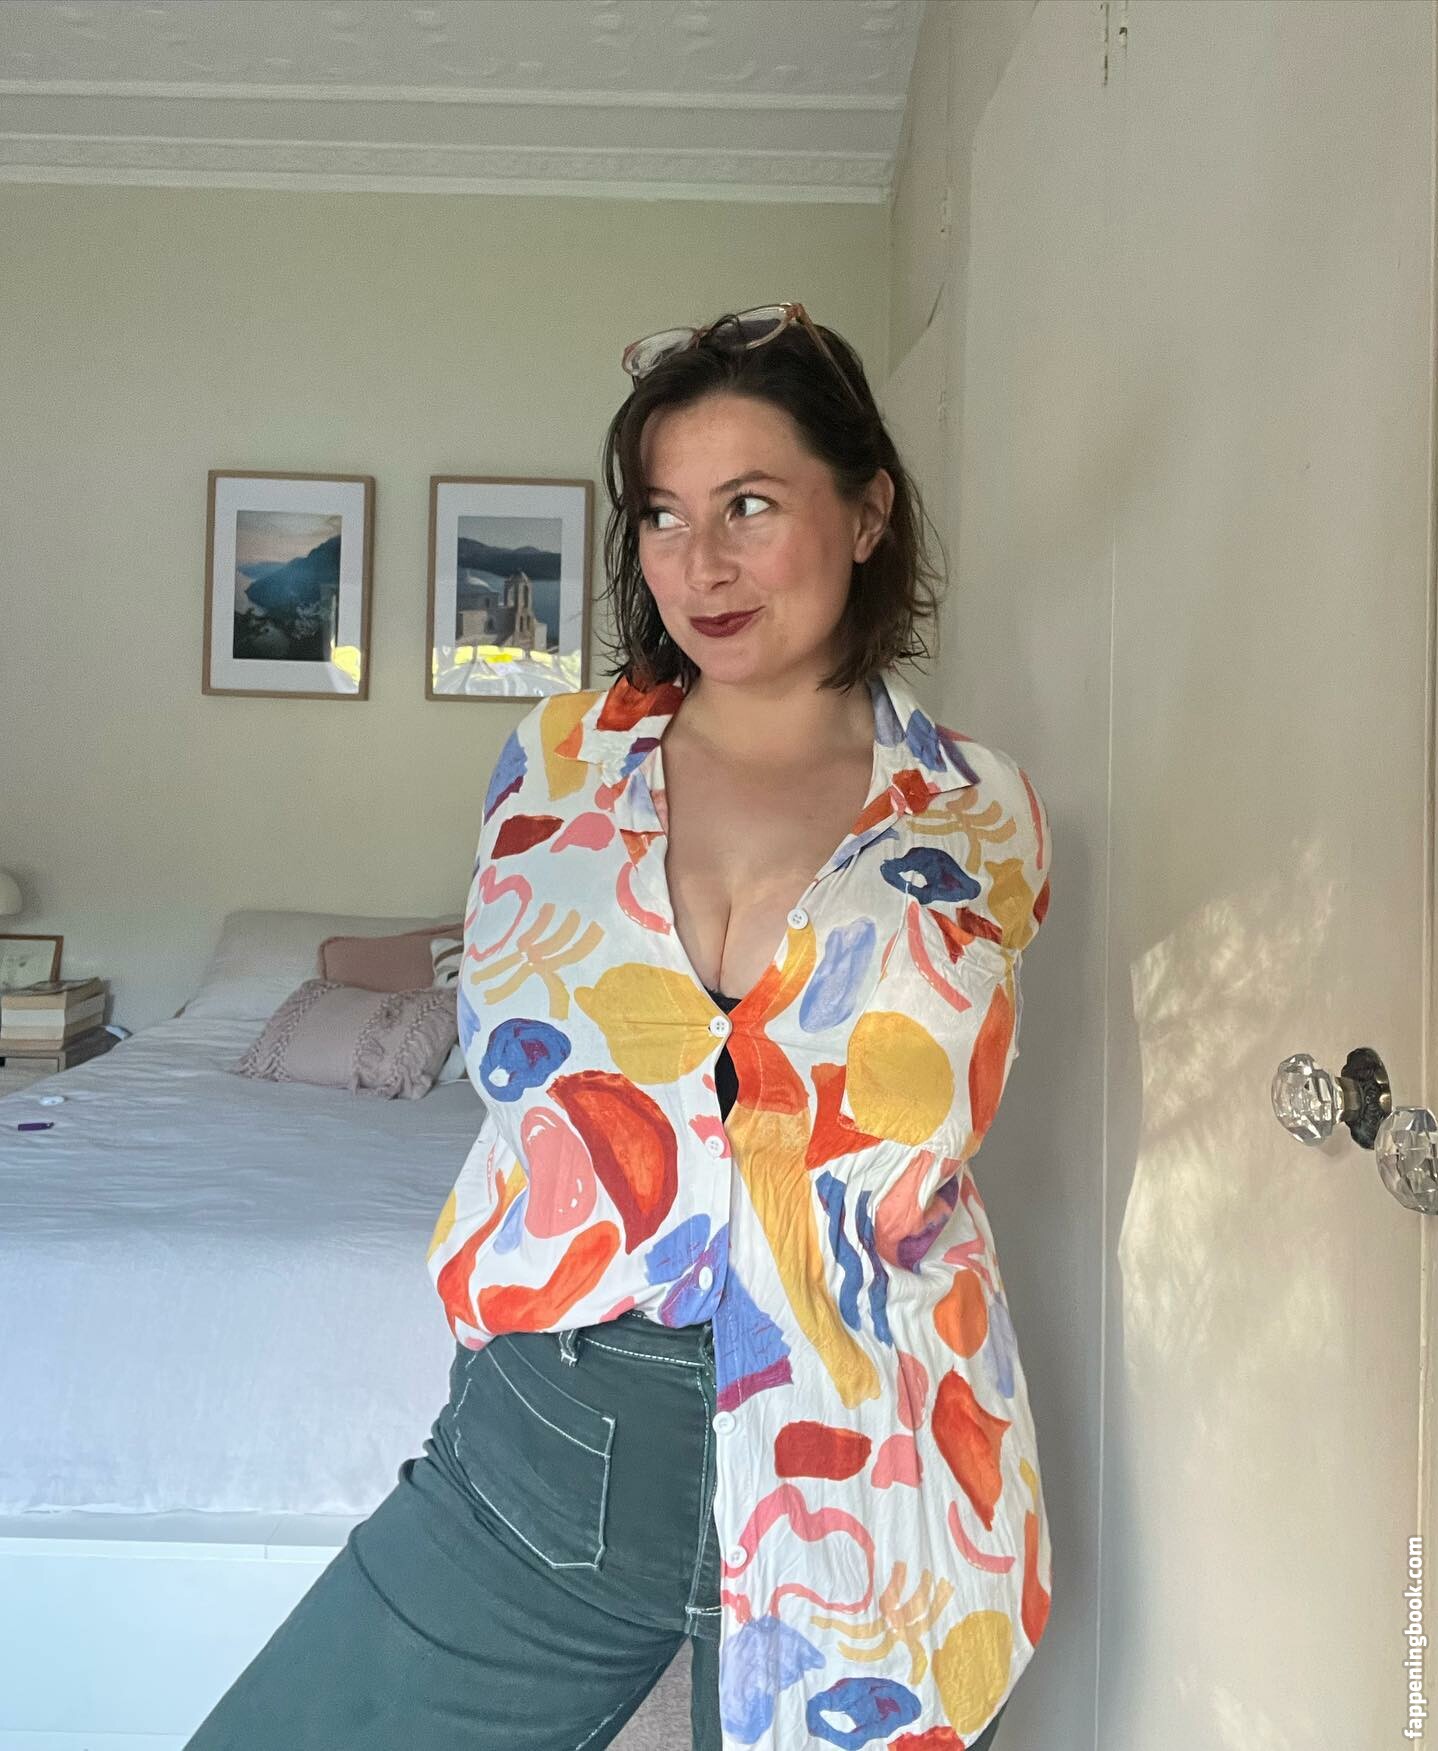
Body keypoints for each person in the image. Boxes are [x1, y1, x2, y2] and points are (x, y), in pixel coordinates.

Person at [184, 304, 1052, 1750]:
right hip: (553, 1438)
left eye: (749, 504)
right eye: (661, 514)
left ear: (867, 513)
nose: (699, 562)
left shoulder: (987, 813)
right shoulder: (553, 767)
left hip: (881, 1455)